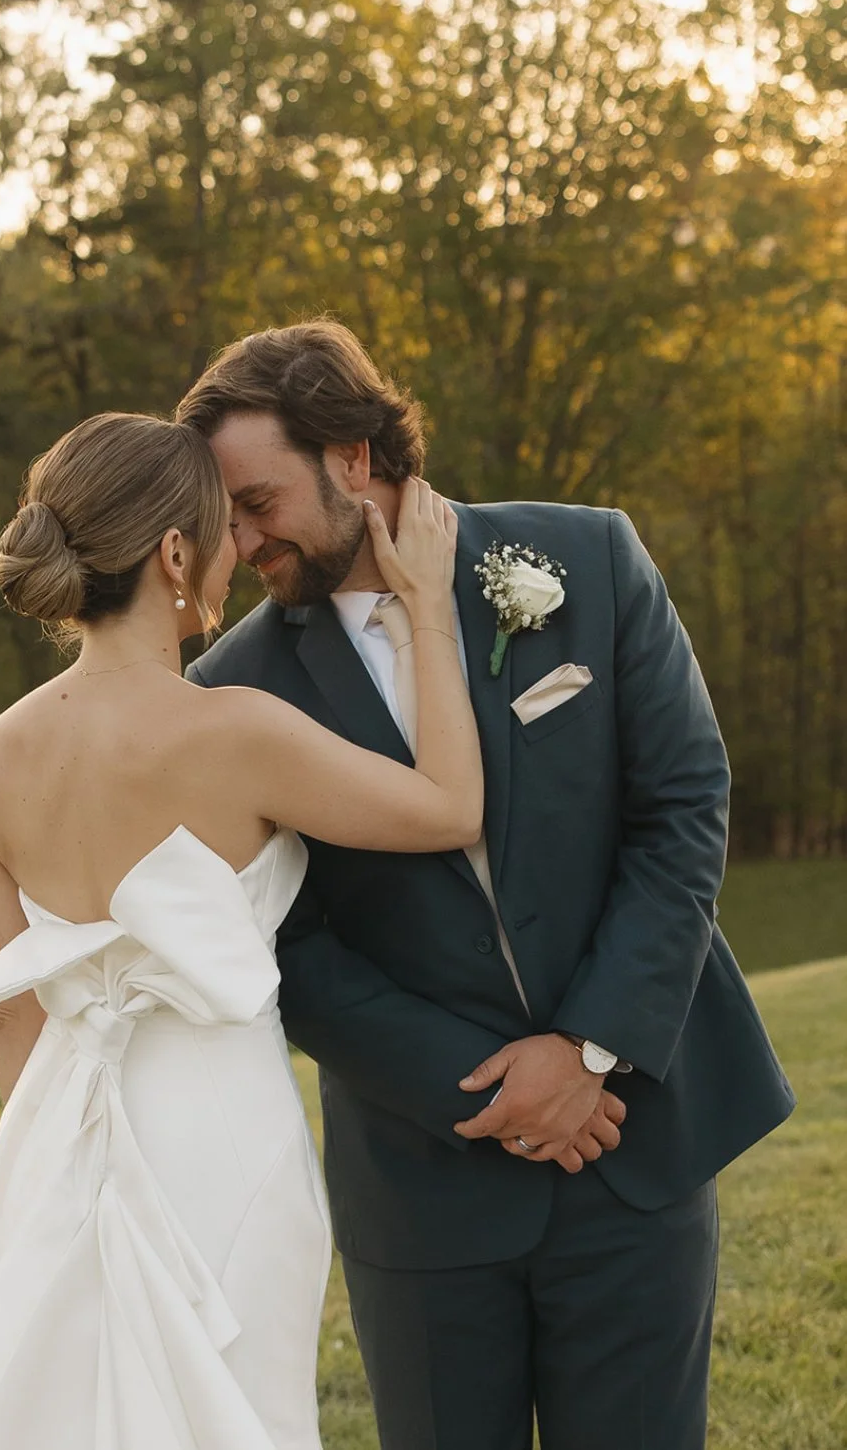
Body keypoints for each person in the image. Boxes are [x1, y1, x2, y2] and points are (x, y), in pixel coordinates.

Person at [177, 319, 796, 1450]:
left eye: (258, 500)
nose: (242, 537)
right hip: (424, 1184)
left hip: (633, 1146)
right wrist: (492, 1092)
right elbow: (283, 942)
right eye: (225, 517)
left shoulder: (588, 561)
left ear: (354, 455)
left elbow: (681, 807)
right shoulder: (229, 688)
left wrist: (586, 1048)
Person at [0, 409, 552, 1450]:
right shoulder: (231, 727)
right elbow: (450, 807)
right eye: (221, 528)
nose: (242, 552)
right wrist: (424, 607)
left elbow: (14, 1018)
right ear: (173, 551)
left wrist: (53, 1181)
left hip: (58, 1139)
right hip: (222, 1142)